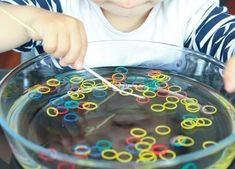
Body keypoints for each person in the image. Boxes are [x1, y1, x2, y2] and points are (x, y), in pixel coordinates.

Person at [0, 0, 234, 92]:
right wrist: (33, 20)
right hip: (61, 135)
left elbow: (227, 37)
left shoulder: (189, 9)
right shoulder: (55, 4)